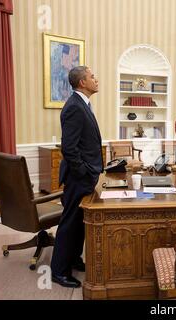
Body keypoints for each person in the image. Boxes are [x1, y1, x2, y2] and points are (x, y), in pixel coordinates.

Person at [50, 66, 103, 288]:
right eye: (92, 76)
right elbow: (69, 148)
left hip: (86, 175)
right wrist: (84, 172)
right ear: (82, 82)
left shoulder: (83, 104)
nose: (96, 79)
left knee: (80, 222)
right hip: (78, 177)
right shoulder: (74, 107)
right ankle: (58, 271)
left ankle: (73, 259)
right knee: (70, 223)